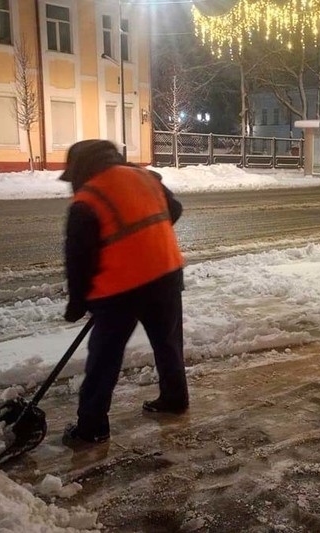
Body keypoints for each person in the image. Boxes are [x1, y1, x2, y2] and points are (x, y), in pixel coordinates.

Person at [59, 139, 188, 446]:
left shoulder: (87, 200)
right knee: (168, 344)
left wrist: (77, 303)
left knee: (104, 359)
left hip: (121, 290)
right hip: (166, 275)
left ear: (80, 170)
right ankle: (175, 399)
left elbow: (79, 261)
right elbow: (174, 209)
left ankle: (91, 428)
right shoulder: (145, 176)